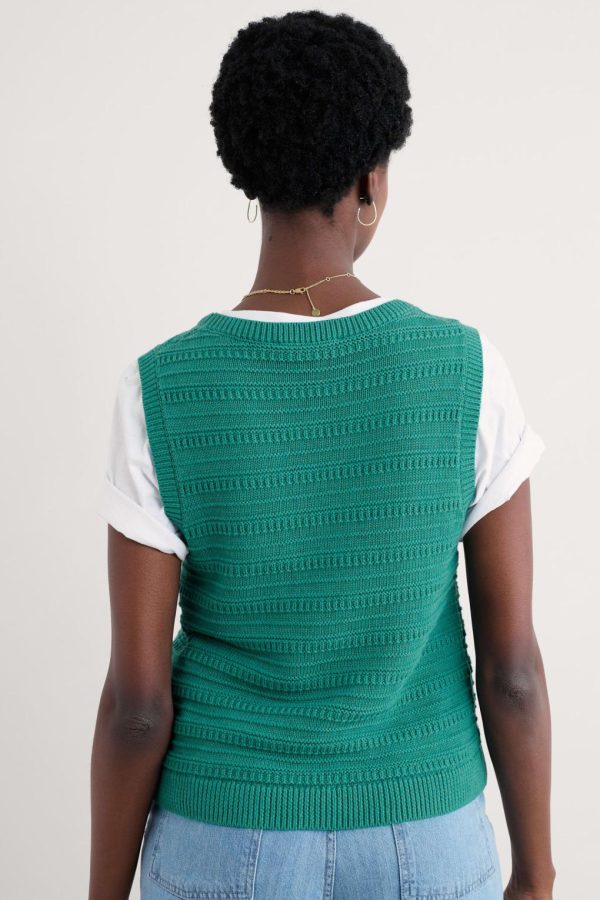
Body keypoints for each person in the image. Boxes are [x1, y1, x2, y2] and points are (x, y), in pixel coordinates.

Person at [89, 10, 555, 900]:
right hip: (427, 833)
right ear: (371, 180)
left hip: (225, 833)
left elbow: (138, 707)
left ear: (248, 175)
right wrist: (535, 873)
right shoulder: (465, 371)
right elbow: (514, 671)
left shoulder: (160, 389)